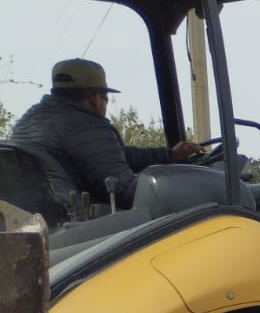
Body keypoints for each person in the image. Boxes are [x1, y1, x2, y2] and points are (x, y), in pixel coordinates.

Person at [6, 58, 201, 211]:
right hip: (83, 226)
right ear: (94, 99)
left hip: (47, 222)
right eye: (105, 99)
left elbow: (110, 155)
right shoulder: (85, 124)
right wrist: (184, 192)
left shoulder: (33, 118)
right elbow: (125, 192)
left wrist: (168, 155)